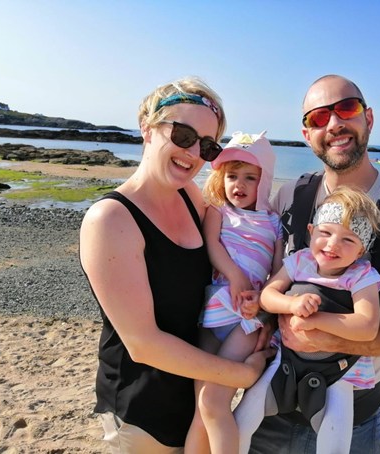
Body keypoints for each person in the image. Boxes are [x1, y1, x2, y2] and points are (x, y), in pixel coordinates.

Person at [248, 74, 380, 453]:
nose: (334, 124)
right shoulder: (290, 197)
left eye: (347, 108)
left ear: (368, 118)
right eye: (318, 118)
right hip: (271, 412)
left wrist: (330, 334)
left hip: (354, 417)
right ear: (306, 134)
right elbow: (257, 275)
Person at [79, 77, 274, 453]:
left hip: (194, 397)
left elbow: (235, 243)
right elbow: (143, 344)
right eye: (183, 134)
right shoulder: (111, 220)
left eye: (207, 144)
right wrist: (243, 373)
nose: (193, 153)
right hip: (143, 412)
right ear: (147, 128)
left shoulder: (189, 195)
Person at [234, 186, 380, 454]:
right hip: (286, 358)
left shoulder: (362, 276)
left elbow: (367, 326)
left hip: (341, 370)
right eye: (325, 233)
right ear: (310, 231)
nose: (332, 245)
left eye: (348, 240)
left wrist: (317, 320)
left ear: (361, 250)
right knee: (244, 419)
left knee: (335, 438)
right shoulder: (300, 260)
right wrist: (292, 304)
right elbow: (268, 295)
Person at [184, 131, 284, 453]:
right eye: (232, 176)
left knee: (214, 401)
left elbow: (280, 271)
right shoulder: (218, 211)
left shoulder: (273, 222)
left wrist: (263, 298)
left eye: (249, 177)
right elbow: (212, 244)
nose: (238, 185)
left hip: (246, 316)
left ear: (265, 180)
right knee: (201, 405)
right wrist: (235, 275)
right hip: (214, 309)